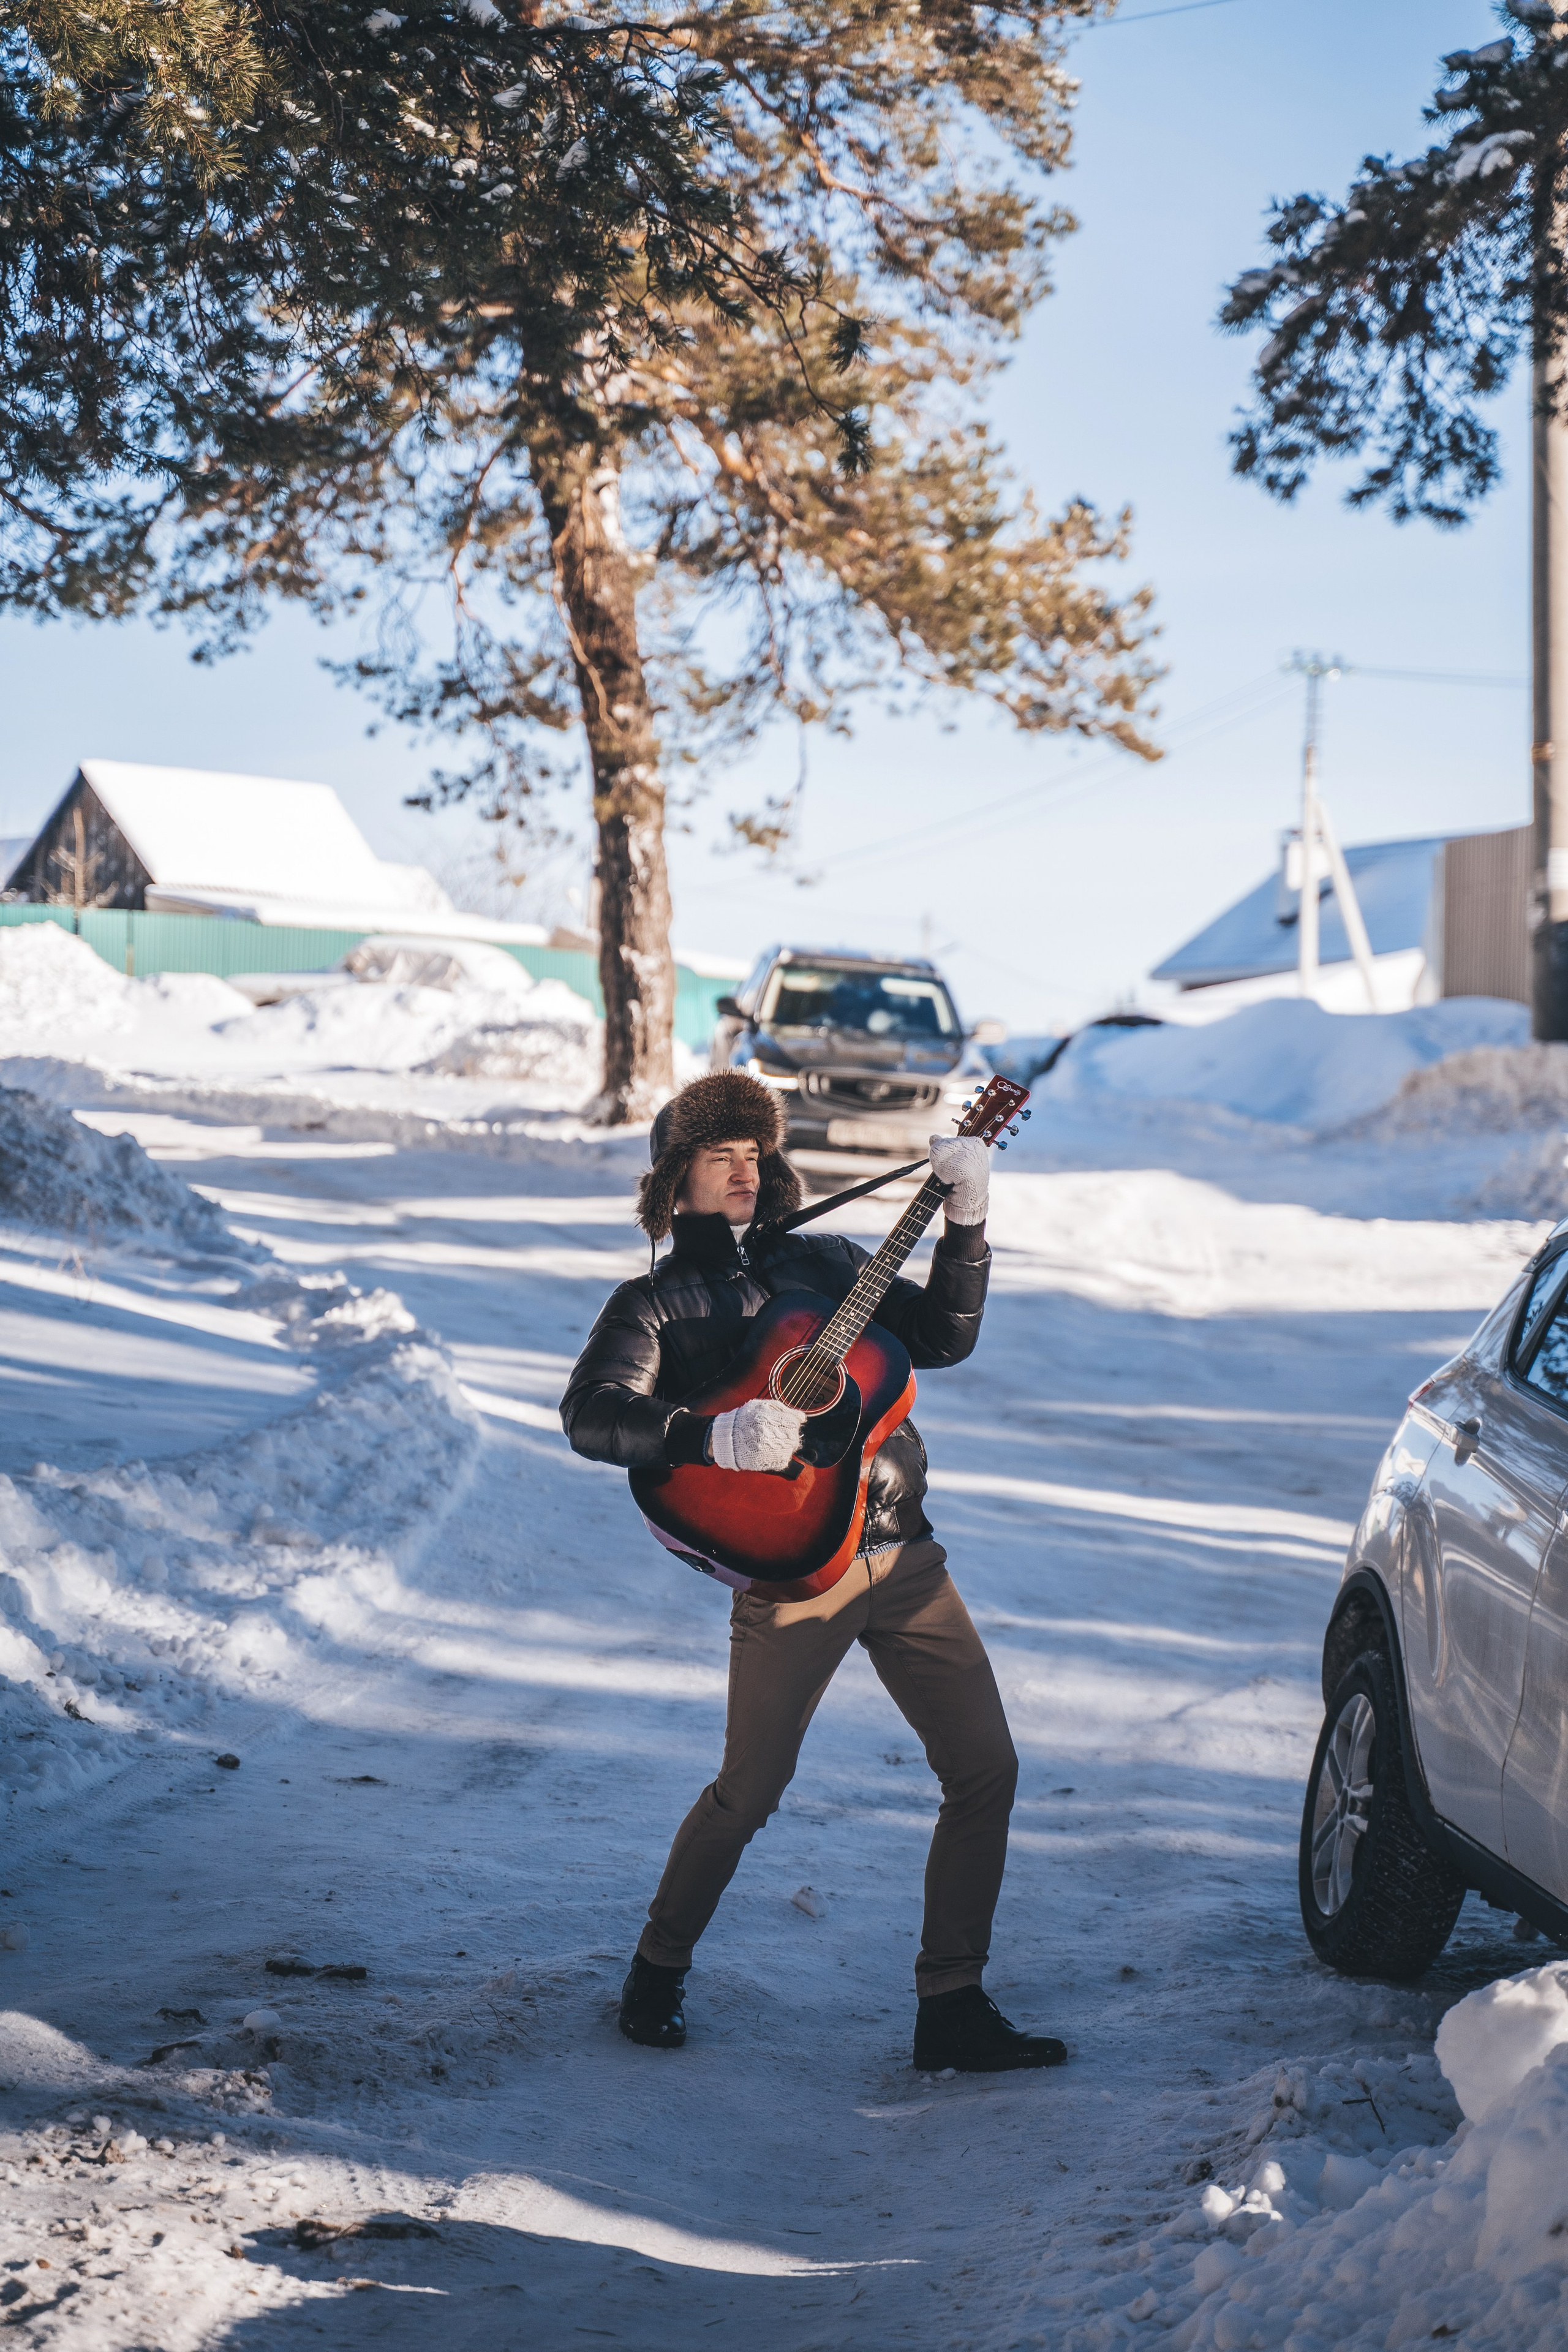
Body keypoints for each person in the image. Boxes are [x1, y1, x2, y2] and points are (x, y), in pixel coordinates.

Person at [560, 1068, 1065, 2074]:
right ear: (674, 1184)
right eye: (722, 1157)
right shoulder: (655, 1302)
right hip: (795, 1574)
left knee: (986, 1771)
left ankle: (951, 2003)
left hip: (903, 1553)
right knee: (749, 1792)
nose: (746, 1172)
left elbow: (946, 1340)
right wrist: (710, 1437)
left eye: (757, 1155)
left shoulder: (827, 1260)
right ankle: (658, 1965)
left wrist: (966, 1223)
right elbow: (593, 1416)